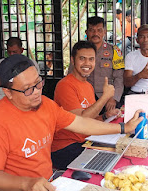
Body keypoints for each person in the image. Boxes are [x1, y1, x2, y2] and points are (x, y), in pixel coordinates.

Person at [0, 54, 143, 191]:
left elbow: (81, 123)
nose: (36, 92)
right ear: (8, 92)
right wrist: (26, 184)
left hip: (48, 186)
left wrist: (123, 128)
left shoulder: (46, 105)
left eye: (38, 83)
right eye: (28, 89)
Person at [51, 41, 121, 169]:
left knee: (119, 155)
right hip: (65, 147)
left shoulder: (88, 86)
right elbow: (81, 121)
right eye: (82, 59)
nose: (87, 64)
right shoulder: (65, 85)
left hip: (85, 142)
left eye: (91, 59)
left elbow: (90, 120)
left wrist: (105, 116)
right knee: (107, 165)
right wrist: (105, 97)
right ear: (73, 60)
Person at [0, 37, 40, 123]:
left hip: (25, 99)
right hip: (2, 98)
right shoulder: (2, 63)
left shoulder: (30, 63)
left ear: (22, 50)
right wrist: (7, 76)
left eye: (15, 52)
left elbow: (36, 83)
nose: (12, 54)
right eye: (9, 52)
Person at [81, 16, 125, 111]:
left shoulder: (114, 51)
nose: (95, 33)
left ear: (104, 32)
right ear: (86, 32)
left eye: (99, 30)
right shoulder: (80, 51)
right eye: (92, 30)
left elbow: (119, 77)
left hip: (107, 99)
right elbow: (72, 74)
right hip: (84, 97)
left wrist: (114, 98)